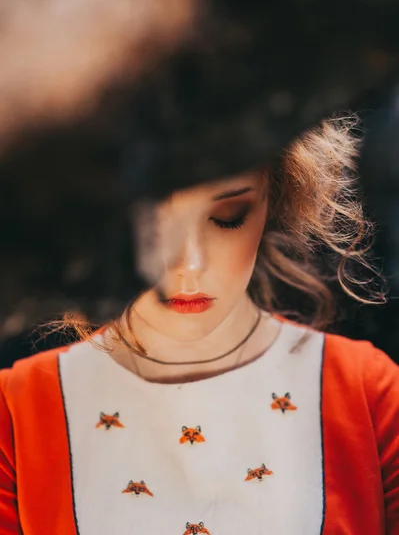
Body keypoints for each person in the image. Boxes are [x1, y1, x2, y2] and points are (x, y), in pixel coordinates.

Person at [0, 119, 398, 535]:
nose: (187, 264)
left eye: (228, 216)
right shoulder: (15, 415)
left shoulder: (369, 395)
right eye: (150, 227)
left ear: (275, 198)